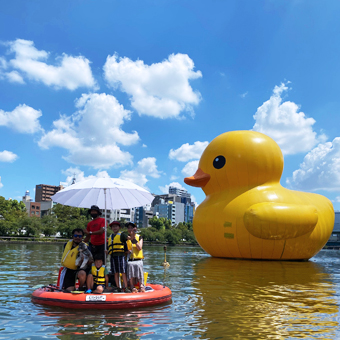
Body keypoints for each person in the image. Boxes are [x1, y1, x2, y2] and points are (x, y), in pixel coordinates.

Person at [107, 221, 129, 292]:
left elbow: (128, 238)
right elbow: (109, 247)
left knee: (123, 272)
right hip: (113, 256)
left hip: (121, 256)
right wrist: (107, 251)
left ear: (119, 227)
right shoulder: (110, 236)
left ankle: (125, 287)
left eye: (116, 226)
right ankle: (118, 287)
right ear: (111, 228)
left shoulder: (122, 234)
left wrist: (132, 237)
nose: (115, 228)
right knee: (115, 272)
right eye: (113, 227)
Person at [126, 222, 145, 293]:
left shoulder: (139, 237)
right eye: (129, 228)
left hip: (138, 259)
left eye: (132, 227)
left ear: (135, 228)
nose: (130, 229)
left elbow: (139, 247)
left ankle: (141, 285)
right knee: (130, 266)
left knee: (139, 268)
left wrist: (134, 241)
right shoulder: (127, 238)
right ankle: (131, 286)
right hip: (130, 259)